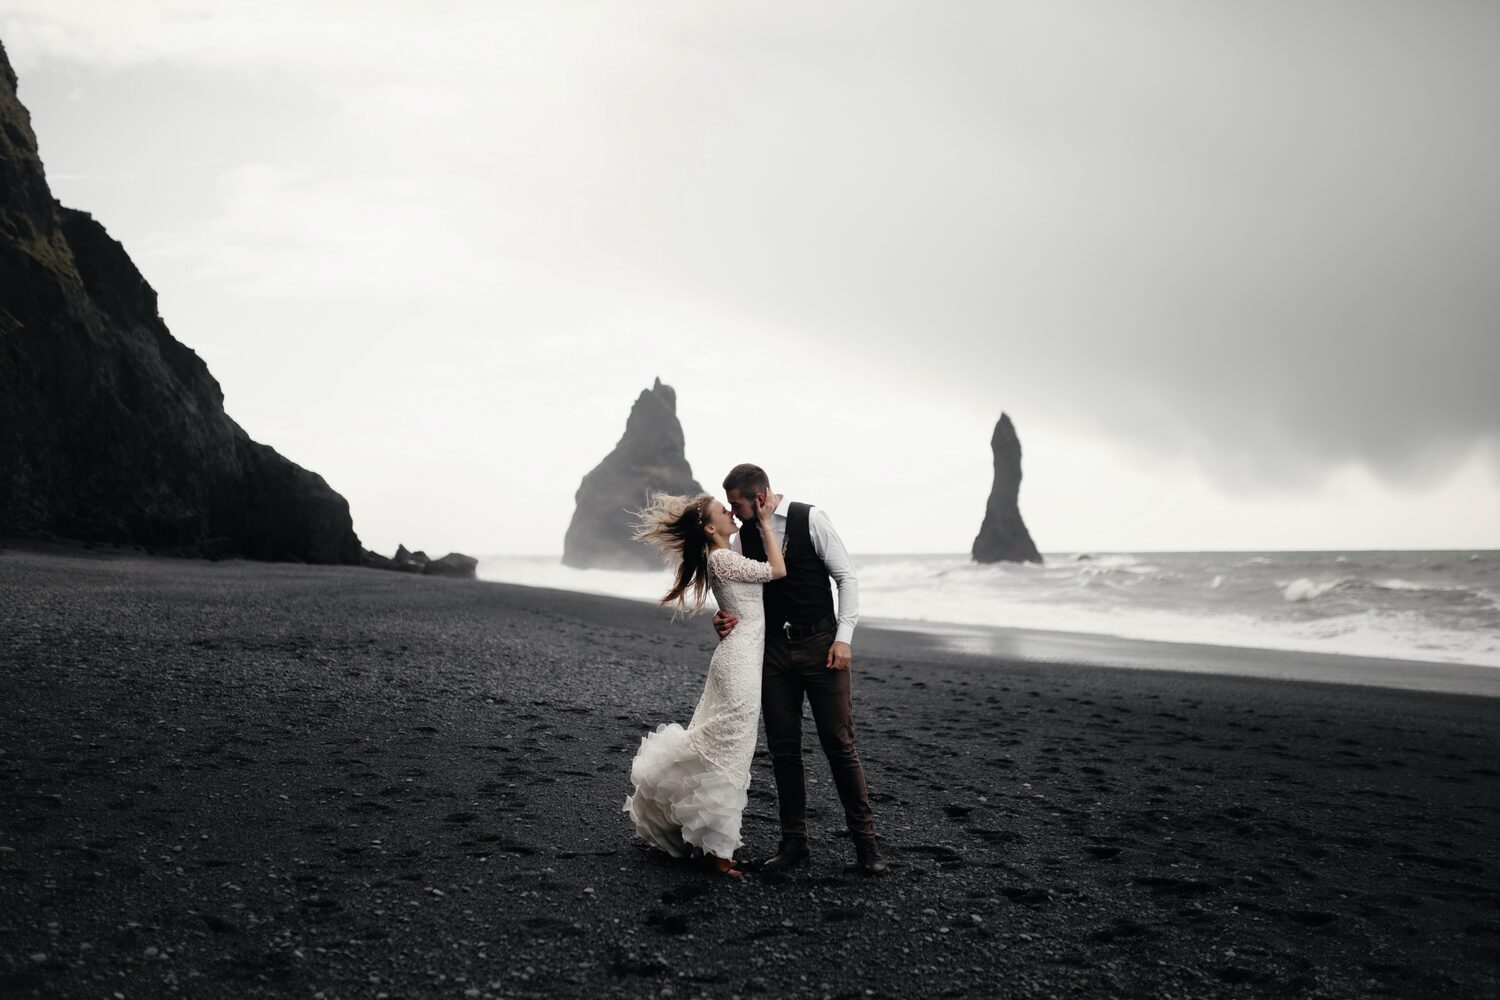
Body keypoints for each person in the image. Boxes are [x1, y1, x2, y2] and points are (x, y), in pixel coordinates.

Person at [714, 464, 888, 875]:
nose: (732, 512)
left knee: (839, 744)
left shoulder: (810, 518)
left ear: (758, 498)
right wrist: (721, 619)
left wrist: (844, 637)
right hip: (773, 652)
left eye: (736, 504)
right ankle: (794, 845)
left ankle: (866, 845)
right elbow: (739, 595)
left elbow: (846, 578)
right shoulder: (742, 538)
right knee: (783, 748)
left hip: (822, 646)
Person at [622, 490, 786, 876]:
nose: (731, 513)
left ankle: (711, 843)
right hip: (740, 664)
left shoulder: (723, 557)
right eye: (722, 511)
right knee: (731, 753)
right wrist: (764, 522)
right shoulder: (724, 557)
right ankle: (719, 852)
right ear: (711, 528)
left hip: (738, 659)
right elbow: (777, 571)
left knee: (724, 749)